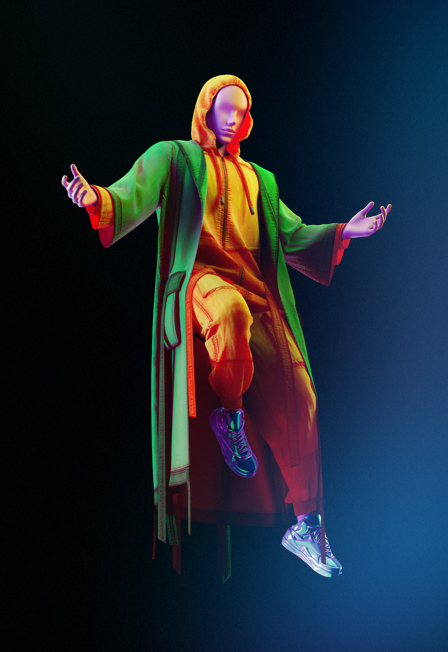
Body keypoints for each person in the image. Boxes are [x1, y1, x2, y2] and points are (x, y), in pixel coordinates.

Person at [62, 75, 391, 579]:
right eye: (225, 109)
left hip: (256, 291)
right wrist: (96, 199)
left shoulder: (260, 179)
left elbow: (291, 235)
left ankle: (307, 523)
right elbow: (129, 194)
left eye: (241, 111)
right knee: (229, 314)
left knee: (299, 392)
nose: (233, 118)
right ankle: (230, 416)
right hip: (200, 279)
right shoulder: (175, 157)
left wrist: (345, 230)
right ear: (206, 111)